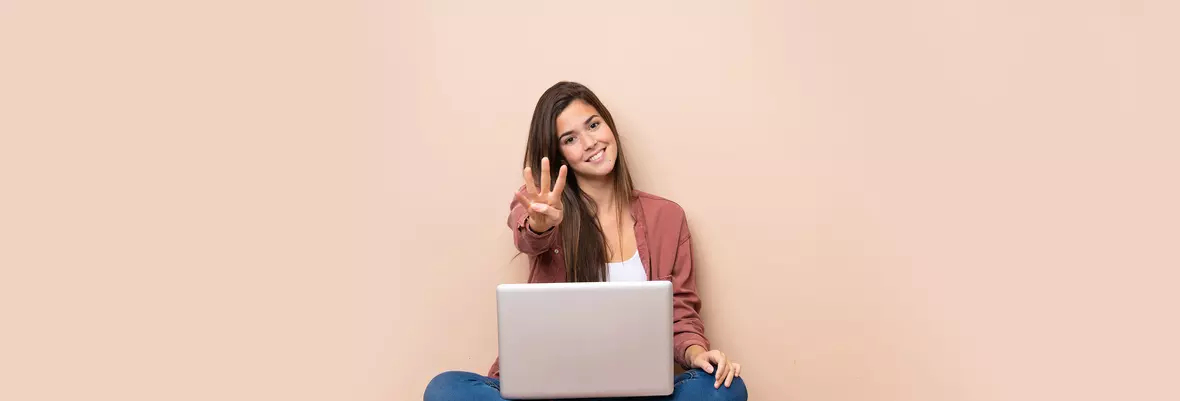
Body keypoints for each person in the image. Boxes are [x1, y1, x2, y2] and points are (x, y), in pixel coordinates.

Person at [424, 82, 747, 401]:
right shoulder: (545, 208)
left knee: (724, 388)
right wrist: (539, 225)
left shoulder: (668, 216)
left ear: (609, 125)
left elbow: (680, 314)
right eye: (571, 139)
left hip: (637, 393)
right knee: (446, 389)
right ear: (558, 154)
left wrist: (697, 354)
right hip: (551, 393)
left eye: (594, 125)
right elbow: (527, 232)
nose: (591, 142)